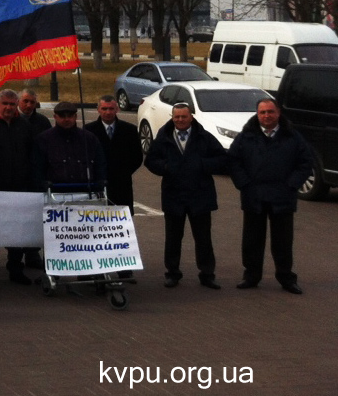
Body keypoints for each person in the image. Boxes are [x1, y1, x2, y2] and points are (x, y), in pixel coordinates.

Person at [227, 98, 312, 294]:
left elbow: (305, 163)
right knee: (252, 241)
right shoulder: (246, 136)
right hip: (254, 197)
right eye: (262, 112)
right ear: (257, 114)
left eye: (270, 112)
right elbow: (233, 161)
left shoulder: (292, 136)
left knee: (283, 242)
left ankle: (286, 278)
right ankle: (251, 276)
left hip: (282, 198)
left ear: (278, 113)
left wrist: (291, 185)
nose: (267, 116)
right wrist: (244, 184)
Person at [144, 102, 227, 290]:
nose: (180, 120)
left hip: (200, 196)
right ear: (172, 117)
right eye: (177, 117)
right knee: (173, 238)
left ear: (191, 117)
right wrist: (165, 167)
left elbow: (222, 159)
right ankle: (172, 273)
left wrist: (202, 165)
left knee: (203, 239)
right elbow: (150, 160)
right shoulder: (163, 138)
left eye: (184, 116)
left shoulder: (204, 137)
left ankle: (207, 274)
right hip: (174, 196)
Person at [0, 89, 36, 285]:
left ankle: (16, 270)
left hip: (18, 189)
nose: (9, 108)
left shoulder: (24, 126)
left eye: (12, 104)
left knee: (16, 233)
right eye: (5, 104)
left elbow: (31, 154)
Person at [83, 95, 142, 210]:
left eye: (111, 108)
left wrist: (124, 172)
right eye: (104, 109)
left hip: (122, 184)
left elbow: (137, 157)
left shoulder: (130, 130)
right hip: (98, 184)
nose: (108, 112)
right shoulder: (88, 130)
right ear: (98, 109)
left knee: (122, 215)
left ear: (117, 109)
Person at [33, 101, 106, 190]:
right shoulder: (43, 139)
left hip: (85, 191)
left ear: (75, 117)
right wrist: (41, 184)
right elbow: (37, 167)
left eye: (70, 116)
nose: (66, 119)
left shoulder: (89, 139)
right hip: (54, 192)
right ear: (55, 117)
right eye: (62, 116)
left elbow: (100, 164)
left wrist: (100, 181)